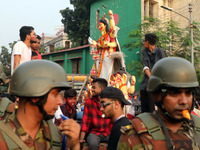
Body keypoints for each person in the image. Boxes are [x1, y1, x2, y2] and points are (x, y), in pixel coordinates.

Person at [117, 57, 200, 150]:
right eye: (174, 93)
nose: (184, 101)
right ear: (156, 95)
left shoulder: (198, 128)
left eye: (188, 93)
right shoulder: (134, 136)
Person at [0, 60, 80, 149]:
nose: (60, 102)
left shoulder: (56, 135)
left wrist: (75, 145)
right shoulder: (2, 138)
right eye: (55, 94)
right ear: (35, 95)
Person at [91, 10, 125, 81]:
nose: (99, 27)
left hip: (107, 57)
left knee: (107, 73)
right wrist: (95, 44)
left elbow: (114, 43)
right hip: (100, 58)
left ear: (105, 25)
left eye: (101, 25)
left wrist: (111, 16)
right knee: (100, 73)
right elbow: (99, 46)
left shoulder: (109, 34)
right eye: (99, 25)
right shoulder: (100, 38)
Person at [80, 78, 112, 150]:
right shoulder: (89, 102)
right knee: (93, 144)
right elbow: (85, 121)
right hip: (94, 133)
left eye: (94, 87)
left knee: (117, 141)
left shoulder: (110, 101)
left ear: (101, 89)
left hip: (108, 132)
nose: (91, 89)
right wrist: (81, 139)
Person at [140, 33, 166, 113]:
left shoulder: (160, 52)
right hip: (147, 82)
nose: (144, 43)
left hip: (157, 82)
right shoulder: (144, 52)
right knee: (143, 91)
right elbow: (145, 67)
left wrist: (155, 80)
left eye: (144, 41)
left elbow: (164, 67)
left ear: (147, 42)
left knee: (152, 104)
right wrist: (152, 78)